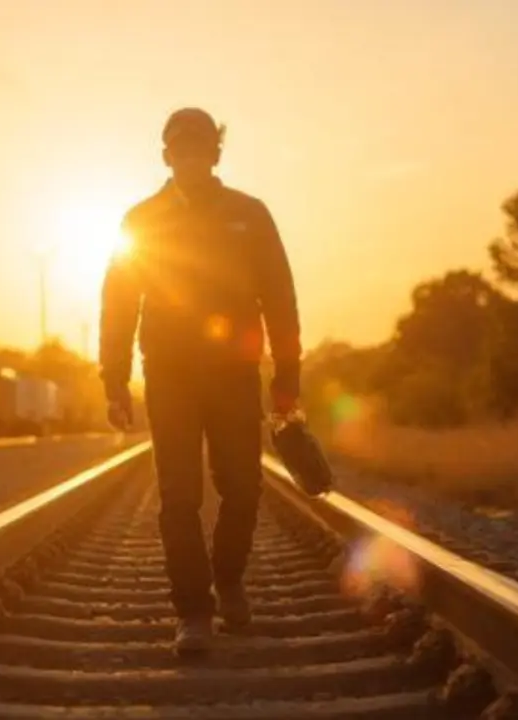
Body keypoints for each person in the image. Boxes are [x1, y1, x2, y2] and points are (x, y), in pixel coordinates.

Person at [98, 107, 302, 654]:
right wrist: (113, 380)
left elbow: (279, 297)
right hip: (169, 375)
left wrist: (288, 375)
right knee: (179, 495)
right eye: (180, 149)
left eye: (201, 147)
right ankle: (193, 613)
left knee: (243, 487)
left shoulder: (249, 214)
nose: (190, 156)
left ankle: (228, 579)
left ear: (216, 152)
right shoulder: (141, 219)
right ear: (167, 156)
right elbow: (118, 302)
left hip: (235, 372)